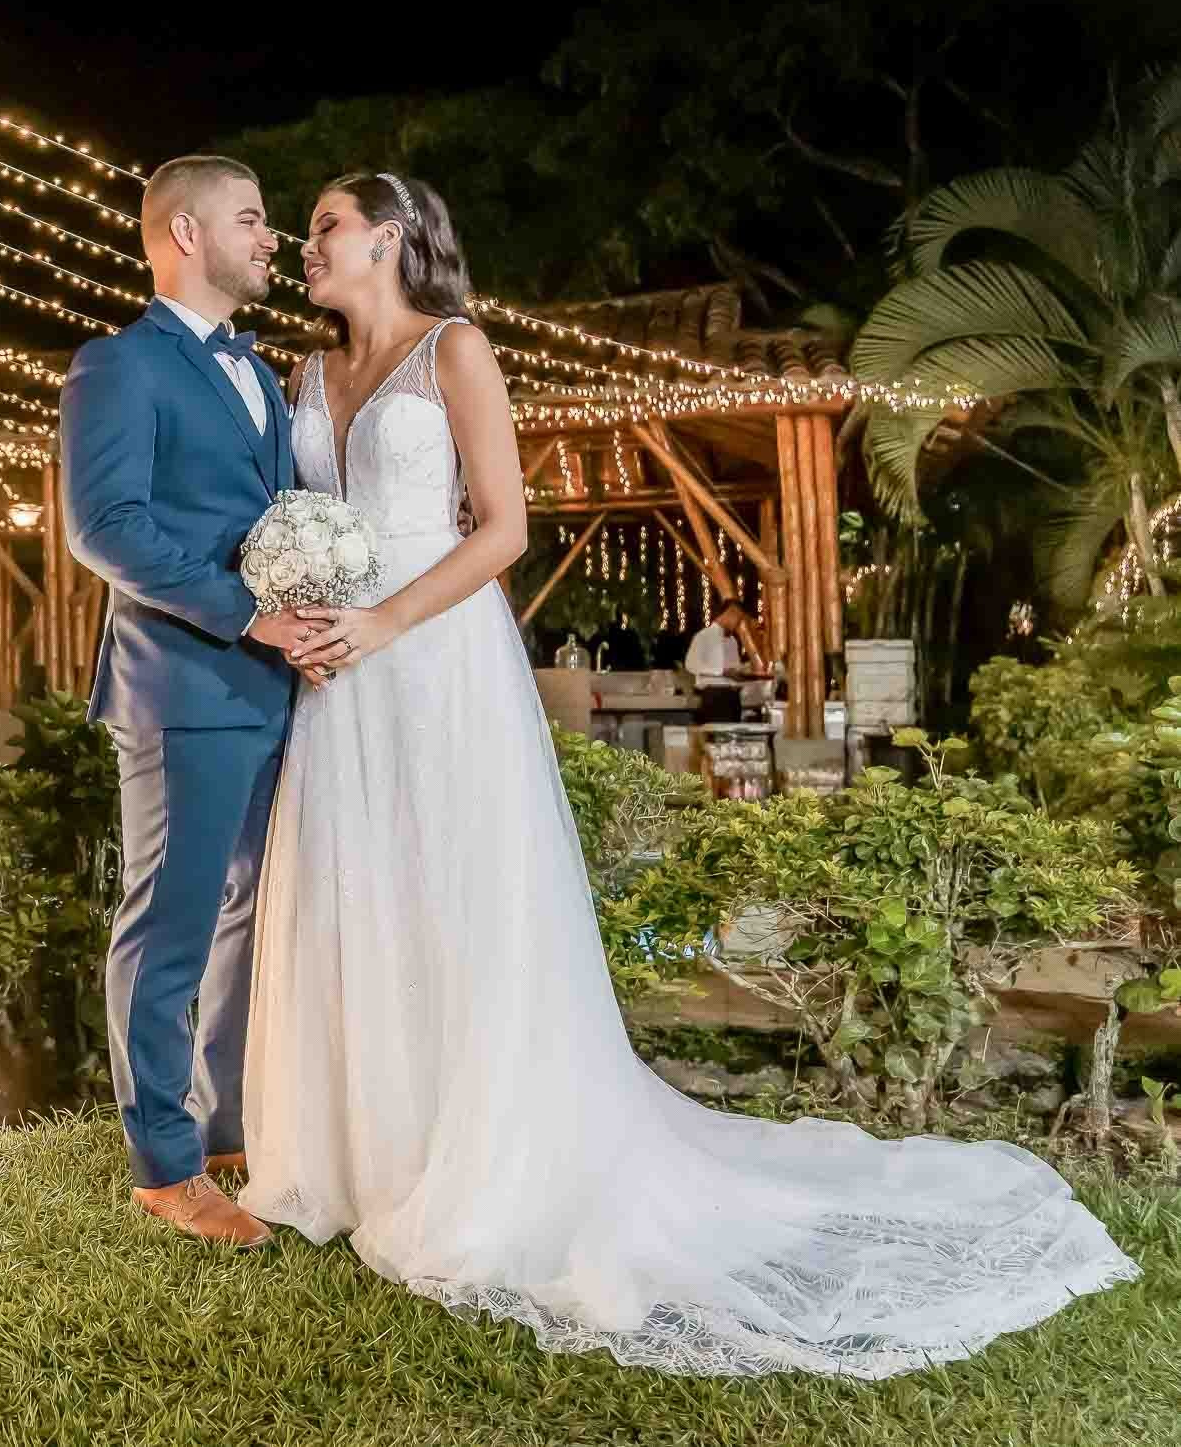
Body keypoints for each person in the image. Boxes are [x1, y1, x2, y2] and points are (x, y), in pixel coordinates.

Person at [238, 170, 1136, 1377]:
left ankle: (475, 1162)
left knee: (455, 892)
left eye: (329, 226)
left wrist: (385, 622)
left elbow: (500, 529)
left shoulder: (457, 349)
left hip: (430, 654)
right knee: (359, 892)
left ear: (391, 238)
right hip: (334, 670)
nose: (308, 243)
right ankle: (353, 1154)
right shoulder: (305, 374)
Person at [60, 155, 331, 1249]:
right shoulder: (118, 365)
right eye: (252, 219)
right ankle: (164, 1165)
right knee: (168, 923)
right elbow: (105, 527)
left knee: (249, 916)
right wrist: (248, 614)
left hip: (272, 685)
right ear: (183, 232)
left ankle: (221, 1124)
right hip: (181, 685)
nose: (271, 240)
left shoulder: (261, 373)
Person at [685, 601, 764, 722]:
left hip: (733, 698)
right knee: (717, 738)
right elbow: (691, 665)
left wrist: (743, 671)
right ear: (730, 613)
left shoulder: (732, 641)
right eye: (738, 619)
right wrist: (721, 672)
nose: (738, 624)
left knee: (734, 738)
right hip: (714, 697)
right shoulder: (703, 636)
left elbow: (734, 669)